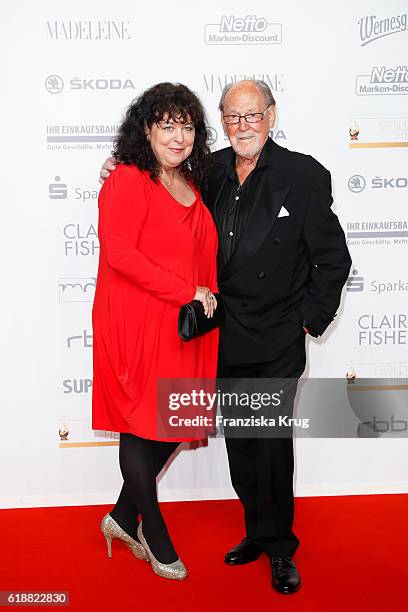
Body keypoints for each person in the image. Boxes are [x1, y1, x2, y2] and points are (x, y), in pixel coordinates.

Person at [100, 79, 352, 594]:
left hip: (277, 339)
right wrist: (113, 167)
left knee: (272, 448)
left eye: (252, 115)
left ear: (271, 116)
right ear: (223, 121)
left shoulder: (302, 174)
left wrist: (307, 320)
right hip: (222, 337)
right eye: (232, 117)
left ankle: (281, 548)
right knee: (241, 445)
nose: (243, 126)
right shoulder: (207, 169)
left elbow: (334, 258)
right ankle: (254, 533)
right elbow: (152, 182)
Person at [92, 82, 219, 581]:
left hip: (186, 325)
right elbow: (120, 254)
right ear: (145, 129)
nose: (178, 135)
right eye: (166, 124)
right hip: (140, 321)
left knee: (174, 419)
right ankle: (154, 530)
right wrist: (185, 289)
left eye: (186, 126)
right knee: (141, 424)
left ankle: (122, 517)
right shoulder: (127, 178)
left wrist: (196, 295)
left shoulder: (193, 179)